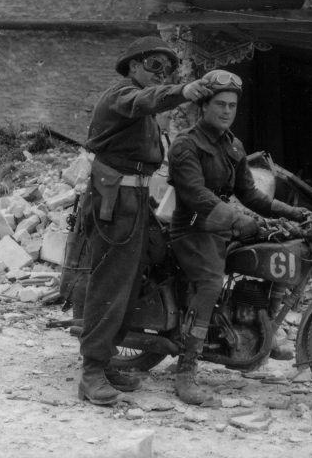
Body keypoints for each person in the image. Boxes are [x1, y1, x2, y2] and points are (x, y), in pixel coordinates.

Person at [77, 36, 212, 406]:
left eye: (167, 69)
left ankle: (106, 363)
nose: (161, 73)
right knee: (110, 283)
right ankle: (91, 372)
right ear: (133, 66)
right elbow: (146, 99)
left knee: (132, 281)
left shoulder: (145, 113)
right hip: (113, 201)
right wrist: (184, 90)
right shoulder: (121, 96)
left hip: (135, 200)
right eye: (154, 65)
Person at [168, 69, 309, 405]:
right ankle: (186, 370)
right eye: (220, 104)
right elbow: (196, 194)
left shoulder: (233, 145)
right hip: (193, 227)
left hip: (222, 226)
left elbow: (250, 194)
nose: (227, 111)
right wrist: (237, 219)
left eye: (232, 105)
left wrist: (292, 212)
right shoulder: (186, 144)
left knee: (274, 251)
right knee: (210, 283)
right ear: (204, 106)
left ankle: (264, 332)